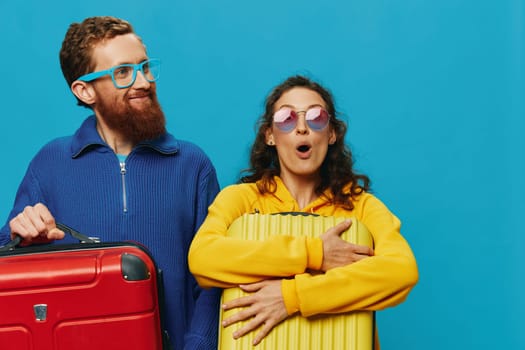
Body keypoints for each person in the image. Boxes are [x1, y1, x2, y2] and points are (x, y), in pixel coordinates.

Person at [0, 16, 220, 350]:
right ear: (85, 90)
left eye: (145, 67)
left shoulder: (192, 164)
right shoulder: (50, 162)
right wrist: (22, 234)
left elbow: (212, 278)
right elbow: (8, 257)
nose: (143, 81)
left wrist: (198, 345)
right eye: (123, 73)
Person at [188, 75, 418, 348]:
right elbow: (203, 259)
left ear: (331, 133)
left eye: (316, 117)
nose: (301, 128)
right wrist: (316, 254)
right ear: (270, 136)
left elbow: (401, 271)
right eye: (286, 118)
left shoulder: (361, 207)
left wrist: (292, 296)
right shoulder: (240, 200)